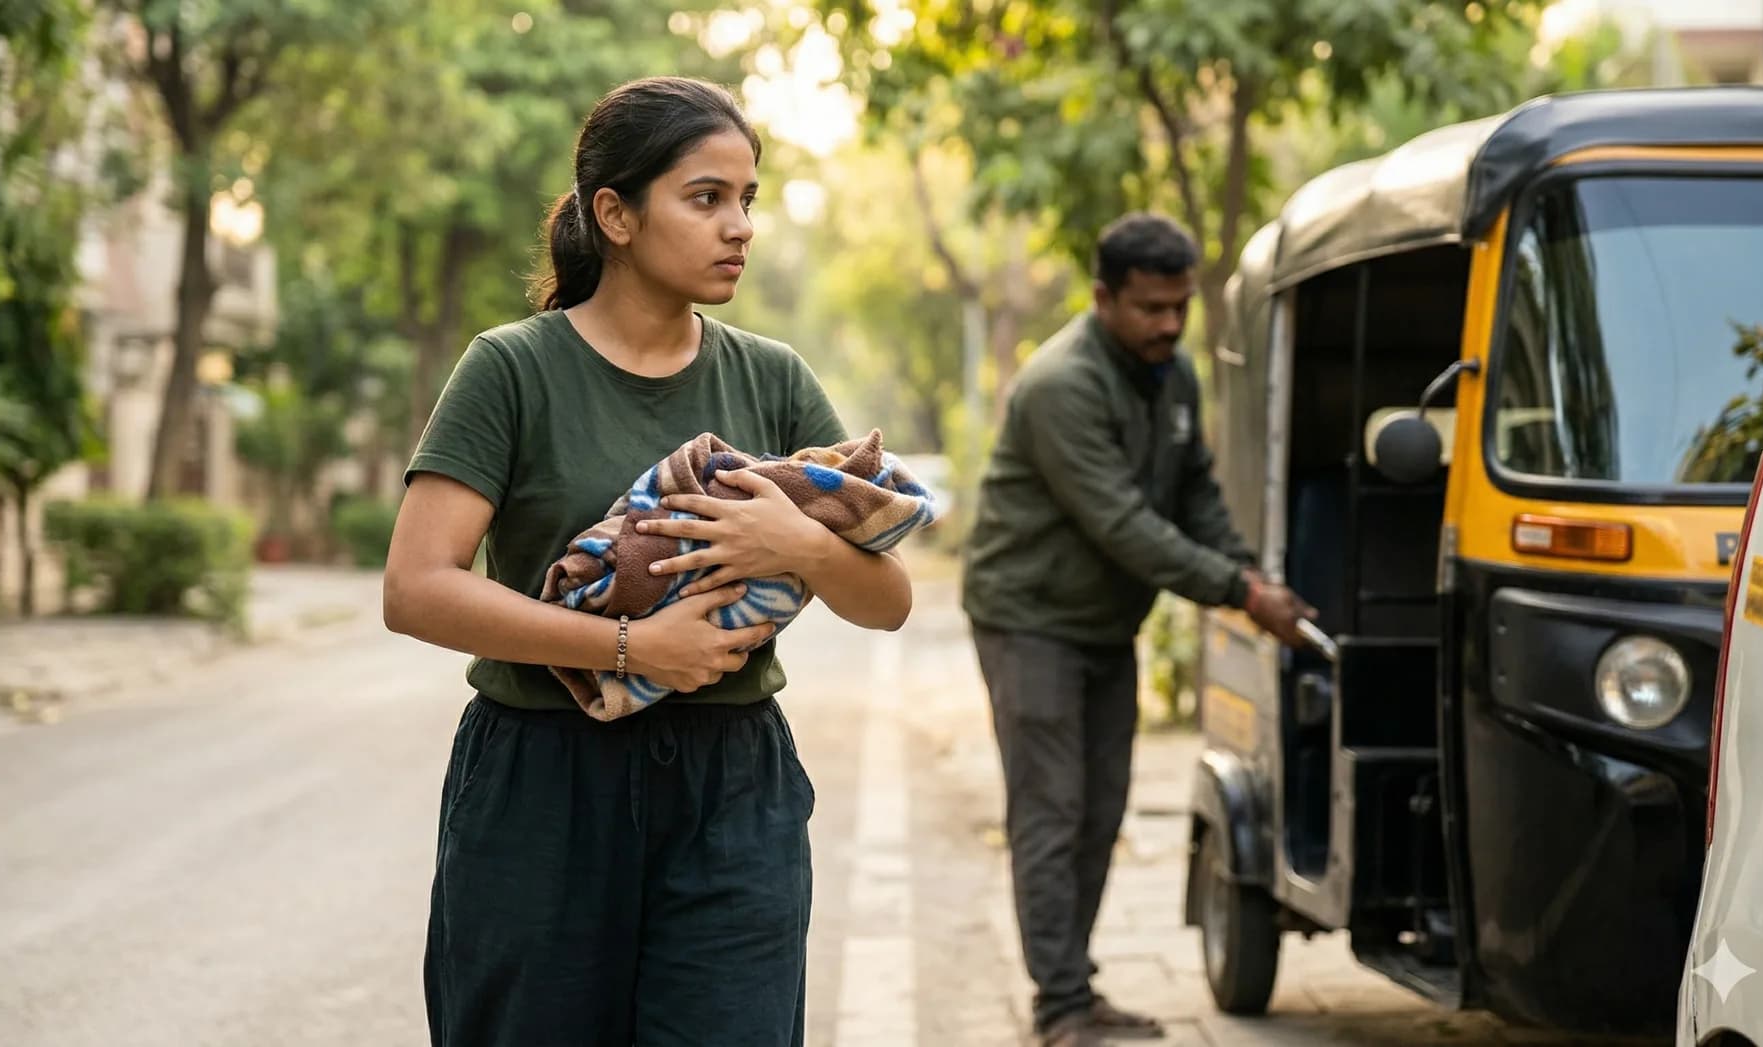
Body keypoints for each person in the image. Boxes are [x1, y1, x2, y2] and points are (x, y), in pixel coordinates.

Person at [382, 76, 914, 1047]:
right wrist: (629, 643)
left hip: (733, 792)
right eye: (706, 197)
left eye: (748, 199)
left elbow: (887, 601)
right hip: (543, 786)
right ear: (615, 214)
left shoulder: (774, 377)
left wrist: (792, 543)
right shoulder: (511, 369)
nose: (740, 226)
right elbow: (417, 588)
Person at [960, 212, 1315, 1047]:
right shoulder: (1060, 385)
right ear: (1103, 298)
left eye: (1179, 306)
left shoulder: (1172, 374)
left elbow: (1195, 492)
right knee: (1052, 811)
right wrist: (1237, 590)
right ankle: (1059, 1006)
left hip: (1103, 623)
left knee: (1101, 809)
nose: (1168, 324)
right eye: (1151, 308)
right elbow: (1122, 523)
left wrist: (1252, 577)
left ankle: (1076, 985)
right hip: (1030, 618)